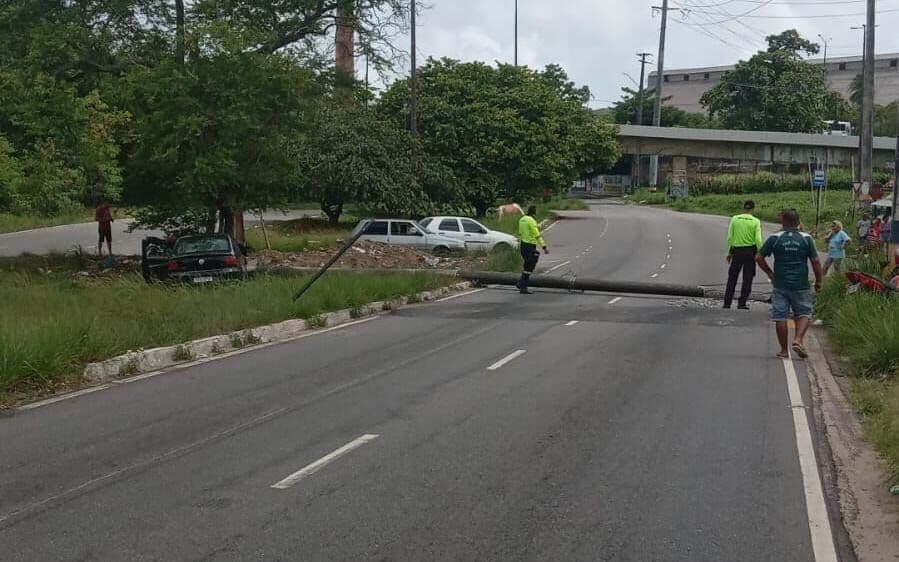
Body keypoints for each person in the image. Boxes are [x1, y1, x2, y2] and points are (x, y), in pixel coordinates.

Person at [755, 209, 823, 360]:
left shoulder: (775, 238)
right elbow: (816, 262)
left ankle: (784, 351)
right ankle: (798, 339)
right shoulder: (806, 238)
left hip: (780, 284)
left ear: (783, 221)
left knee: (780, 316)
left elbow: (759, 257)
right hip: (801, 284)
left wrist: (770, 273)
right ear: (798, 221)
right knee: (804, 313)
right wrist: (819, 281)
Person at [723, 200, 763, 309]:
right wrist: (760, 252)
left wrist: (729, 253)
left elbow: (730, 237)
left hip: (737, 251)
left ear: (744, 208)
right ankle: (742, 303)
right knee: (747, 278)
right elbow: (758, 239)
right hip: (750, 252)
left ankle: (727, 303)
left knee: (732, 278)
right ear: (753, 209)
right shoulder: (756, 221)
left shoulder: (735, 219)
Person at [516, 205, 548, 295]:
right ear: (534, 212)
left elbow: (522, 231)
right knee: (530, 266)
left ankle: (522, 285)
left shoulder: (522, 219)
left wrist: (540, 225)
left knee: (527, 265)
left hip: (523, 245)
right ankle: (522, 284)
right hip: (530, 245)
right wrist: (544, 247)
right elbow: (537, 234)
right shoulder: (531, 221)